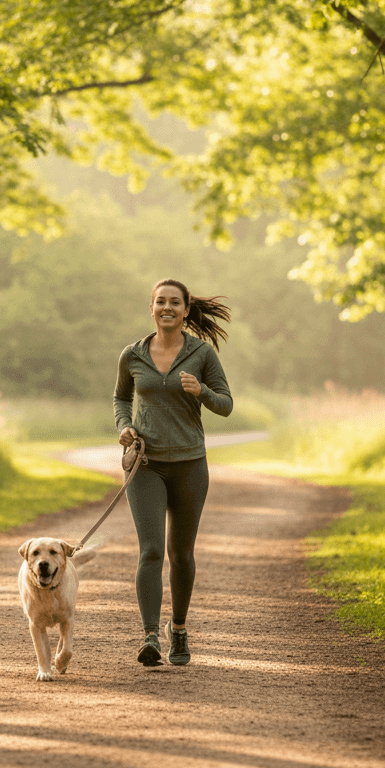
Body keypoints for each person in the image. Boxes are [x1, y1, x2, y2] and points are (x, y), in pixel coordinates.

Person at [113, 278, 233, 666]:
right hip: (146, 465)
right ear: (152, 308)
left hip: (189, 466)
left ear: (185, 310)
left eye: (174, 302)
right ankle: (150, 637)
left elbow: (227, 404)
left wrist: (201, 392)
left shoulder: (202, 354)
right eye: (160, 301)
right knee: (150, 551)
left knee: (180, 554)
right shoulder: (132, 354)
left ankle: (177, 630)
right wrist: (124, 427)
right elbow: (120, 397)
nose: (167, 307)